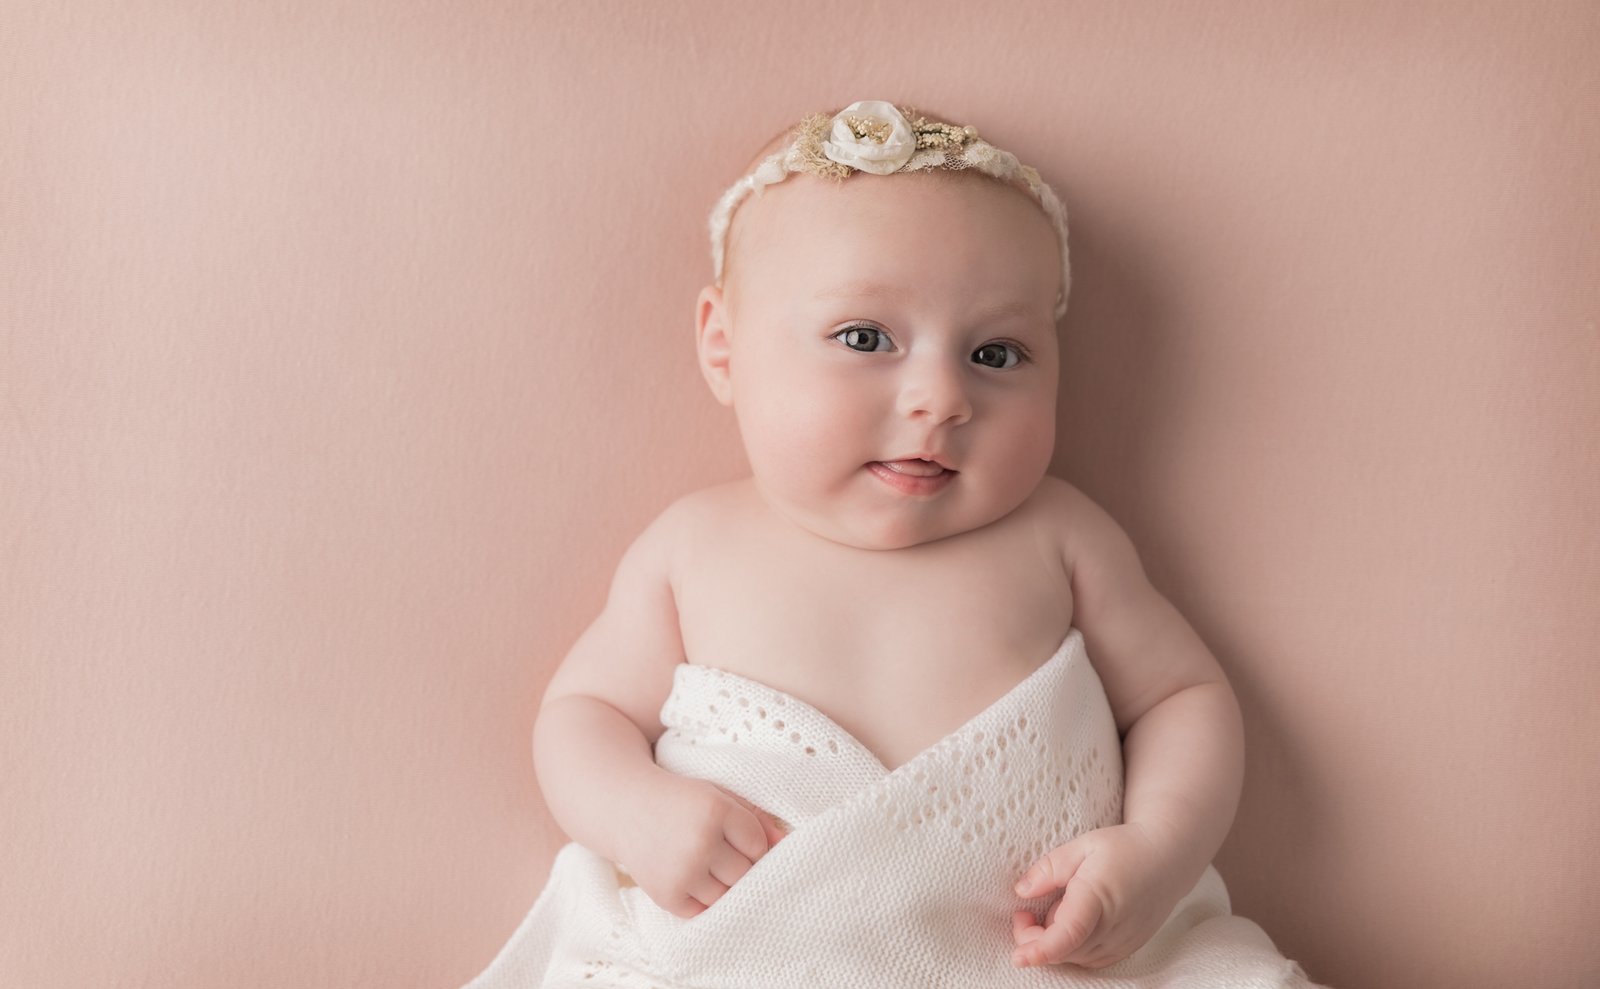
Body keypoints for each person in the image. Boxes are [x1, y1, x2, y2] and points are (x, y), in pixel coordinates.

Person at [464, 100, 1321, 988]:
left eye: (997, 353)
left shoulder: (1059, 535)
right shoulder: (695, 544)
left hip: (1037, 950)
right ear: (724, 348)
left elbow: (1182, 695)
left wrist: (1155, 849)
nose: (941, 397)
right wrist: (635, 812)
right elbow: (582, 714)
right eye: (865, 338)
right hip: (760, 949)